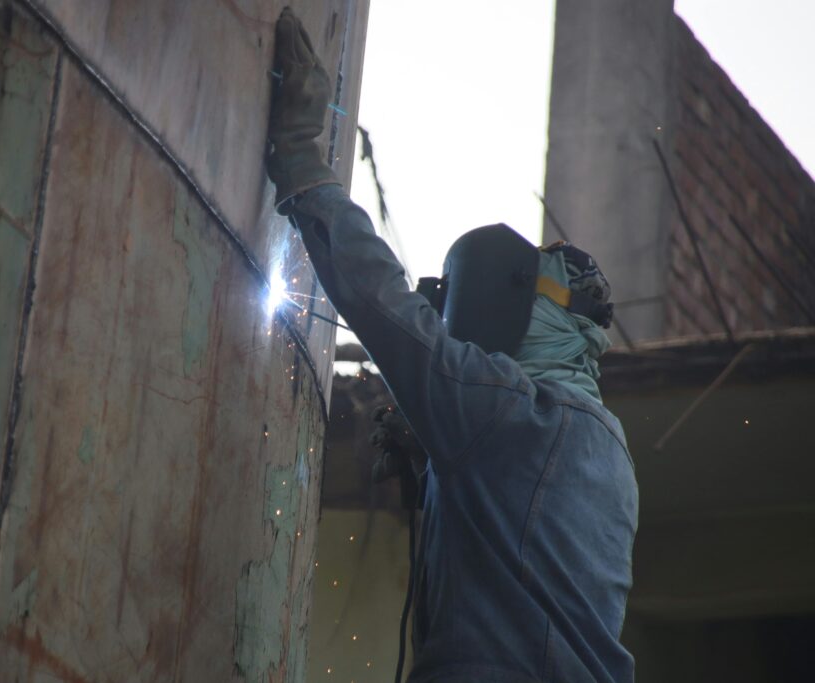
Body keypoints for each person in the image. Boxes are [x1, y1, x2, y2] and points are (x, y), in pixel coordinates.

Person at [266, 9, 638, 683]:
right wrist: (434, 463)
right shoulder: (601, 443)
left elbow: (386, 308)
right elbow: (513, 554)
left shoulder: (509, 417)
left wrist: (302, 165)